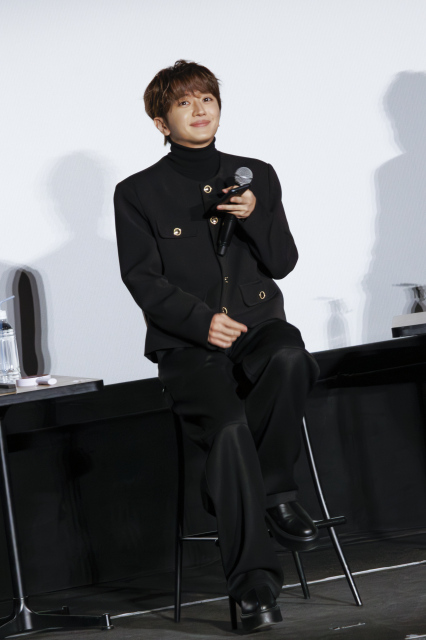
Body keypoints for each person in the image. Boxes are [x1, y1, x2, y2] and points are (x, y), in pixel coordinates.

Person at [114, 59, 321, 633]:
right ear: (162, 122)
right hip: (189, 348)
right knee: (228, 429)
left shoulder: (257, 175)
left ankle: (272, 490)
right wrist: (201, 321)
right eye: (184, 102)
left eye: (207, 98)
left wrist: (256, 216)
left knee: (290, 355)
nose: (199, 109)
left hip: (258, 327)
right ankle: (255, 585)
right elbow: (141, 278)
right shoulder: (137, 192)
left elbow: (282, 261)